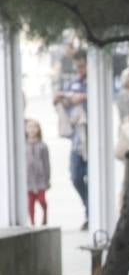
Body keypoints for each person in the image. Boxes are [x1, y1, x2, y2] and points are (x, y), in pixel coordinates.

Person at [51, 49, 88, 229]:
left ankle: (92, 212)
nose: (79, 70)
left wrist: (85, 98)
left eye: (82, 66)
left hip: (91, 137)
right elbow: (66, 104)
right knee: (76, 177)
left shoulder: (94, 83)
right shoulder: (74, 83)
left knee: (92, 176)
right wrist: (59, 100)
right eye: (77, 67)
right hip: (77, 140)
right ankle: (89, 207)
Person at [24, 120, 49, 227]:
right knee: (30, 203)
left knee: (41, 200)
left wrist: (47, 179)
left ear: (38, 129)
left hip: (40, 179)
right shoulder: (23, 145)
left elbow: (46, 163)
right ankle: (32, 223)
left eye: (35, 127)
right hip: (28, 179)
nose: (32, 129)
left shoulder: (43, 145)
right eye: (30, 127)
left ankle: (44, 216)